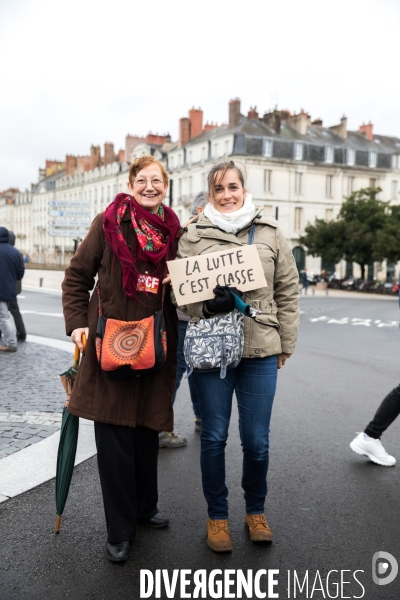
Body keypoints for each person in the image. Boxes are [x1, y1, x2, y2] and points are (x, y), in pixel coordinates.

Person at [173, 160, 300, 552]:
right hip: (213, 350)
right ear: (209, 195)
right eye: (218, 190)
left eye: (232, 187)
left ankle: (256, 511)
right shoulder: (192, 235)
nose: (226, 195)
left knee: (256, 441)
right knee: (213, 437)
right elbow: (181, 297)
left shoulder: (271, 231)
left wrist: (286, 344)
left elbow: (288, 291)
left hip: (261, 348)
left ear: (244, 189)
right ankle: (217, 518)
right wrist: (209, 307)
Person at [62, 155, 180, 563]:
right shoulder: (108, 222)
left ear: (166, 185)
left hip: (156, 341)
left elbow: (189, 288)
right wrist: (77, 323)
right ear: (130, 183)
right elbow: (77, 276)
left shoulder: (175, 231)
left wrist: (177, 279)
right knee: (114, 438)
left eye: (157, 181)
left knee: (147, 431)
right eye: (142, 180)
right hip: (108, 342)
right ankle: (120, 529)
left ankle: (145, 509)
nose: (150, 186)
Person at [172, 192, 209, 436]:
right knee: (180, 369)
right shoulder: (185, 234)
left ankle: (201, 417)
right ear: (200, 212)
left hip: (197, 316)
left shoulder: (182, 232)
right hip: (184, 316)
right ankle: (162, 425)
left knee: (196, 368)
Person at [0, 227, 24, 352]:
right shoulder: (15, 252)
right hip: (9, 289)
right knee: (4, 315)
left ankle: (11, 343)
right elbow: (20, 273)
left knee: (3, 317)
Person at [7, 231, 26, 341]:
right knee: (15, 311)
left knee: (3, 312)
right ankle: (21, 333)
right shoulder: (18, 253)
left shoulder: (6, 252)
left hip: (8, 287)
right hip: (15, 287)